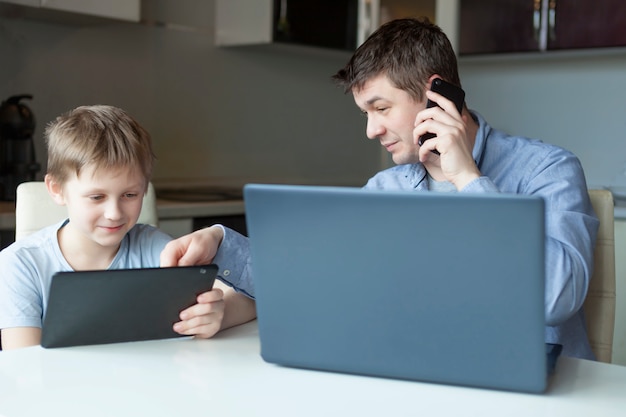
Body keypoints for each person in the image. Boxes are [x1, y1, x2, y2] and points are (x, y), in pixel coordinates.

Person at [160, 18, 599, 359]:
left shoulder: (548, 170)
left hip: (534, 388)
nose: (372, 130)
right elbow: (314, 277)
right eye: (365, 113)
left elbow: (554, 298)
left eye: (381, 108)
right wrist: (221, 242)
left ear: (435, 97)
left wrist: (468, 181)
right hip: (421, 375)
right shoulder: (385, 188)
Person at [0, 105, 255, 350]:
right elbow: (26, 366)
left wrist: (217, 315)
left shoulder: (156, 248)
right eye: (97, 197)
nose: (114, 214)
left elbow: (251, 299)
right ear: (57, 189)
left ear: (144, 187)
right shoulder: (19, 265)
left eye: (130, 195)